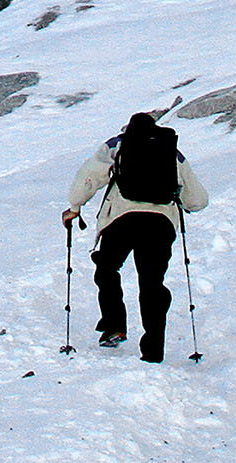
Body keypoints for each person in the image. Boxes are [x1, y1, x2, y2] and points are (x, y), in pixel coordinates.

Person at [62, 112, 208, 363]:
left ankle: (114, 325)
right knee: (152, 283)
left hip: (121, 219)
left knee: (107, 268)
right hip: (160, 224)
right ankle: (153, 352)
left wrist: (75, 206)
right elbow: (197, 201)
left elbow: (90, 176)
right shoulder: (171, 151)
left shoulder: (117, 145)